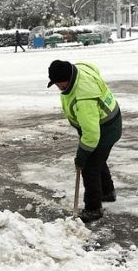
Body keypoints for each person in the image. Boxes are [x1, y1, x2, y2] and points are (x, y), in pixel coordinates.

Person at [47, 60, 121, 223]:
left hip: (105, 128)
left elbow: (92, 134)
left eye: (59, 85)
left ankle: (93, 209)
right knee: (98, 159)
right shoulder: (78, 70)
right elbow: (93, 67)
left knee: (89, 167)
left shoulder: (83, 97)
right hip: (105, 120)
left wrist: (81, 155)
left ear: (67, 79)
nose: (58, 88)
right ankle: (107, 192)